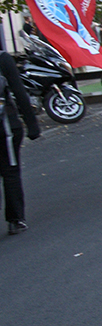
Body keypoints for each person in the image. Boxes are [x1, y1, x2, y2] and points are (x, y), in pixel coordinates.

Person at [0, 48, 41, 234]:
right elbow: (18, 90)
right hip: (6, 125)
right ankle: (15, 218)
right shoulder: (3, 58)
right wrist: (32, 124)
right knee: (10, 171)